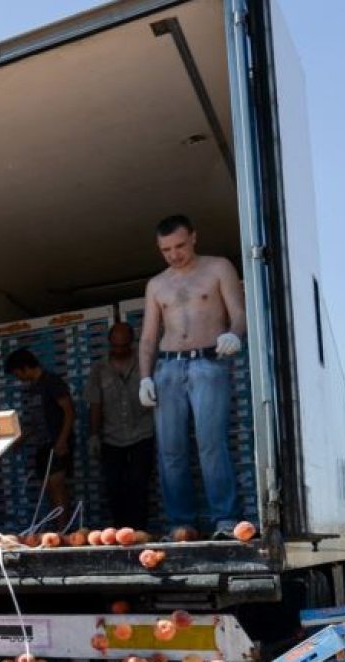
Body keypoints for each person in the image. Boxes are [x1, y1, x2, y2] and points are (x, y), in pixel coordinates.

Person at [138, 215, 247, 538]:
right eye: (166, 249)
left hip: (208, 362)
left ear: (194, 238)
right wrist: (145, 377)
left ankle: (225, 520)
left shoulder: (218, 267)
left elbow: (239, 312)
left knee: (211, 444)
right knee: (170, 448)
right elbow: (148, 337)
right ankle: (180, 522)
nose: (174, 254)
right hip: (168, 367)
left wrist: (234, 334)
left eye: (180, 246)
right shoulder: (156, 285)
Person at [85, 322, 157, 529]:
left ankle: (139, 531)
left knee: (139, 484)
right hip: (111, 437)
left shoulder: (145, 364)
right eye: (114, 346)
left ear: (131, 343)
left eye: (123, 345)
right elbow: (95, 404)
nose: (119, 350)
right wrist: (94, 436)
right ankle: (120, 531)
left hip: (142, 433)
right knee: (113, 486)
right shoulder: (99, 369)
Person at [3, 349, 74, 517]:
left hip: (57, 442)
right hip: (42, 445)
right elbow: (36, 421)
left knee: (57, 485)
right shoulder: (34, 388)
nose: (18, 378)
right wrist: (21, 440)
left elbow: (69, 411)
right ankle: (58, 527)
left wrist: (62, 441)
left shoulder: (52, 382)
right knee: (47, 487)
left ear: (24, 368)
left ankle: (64, 529)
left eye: (17, 373)